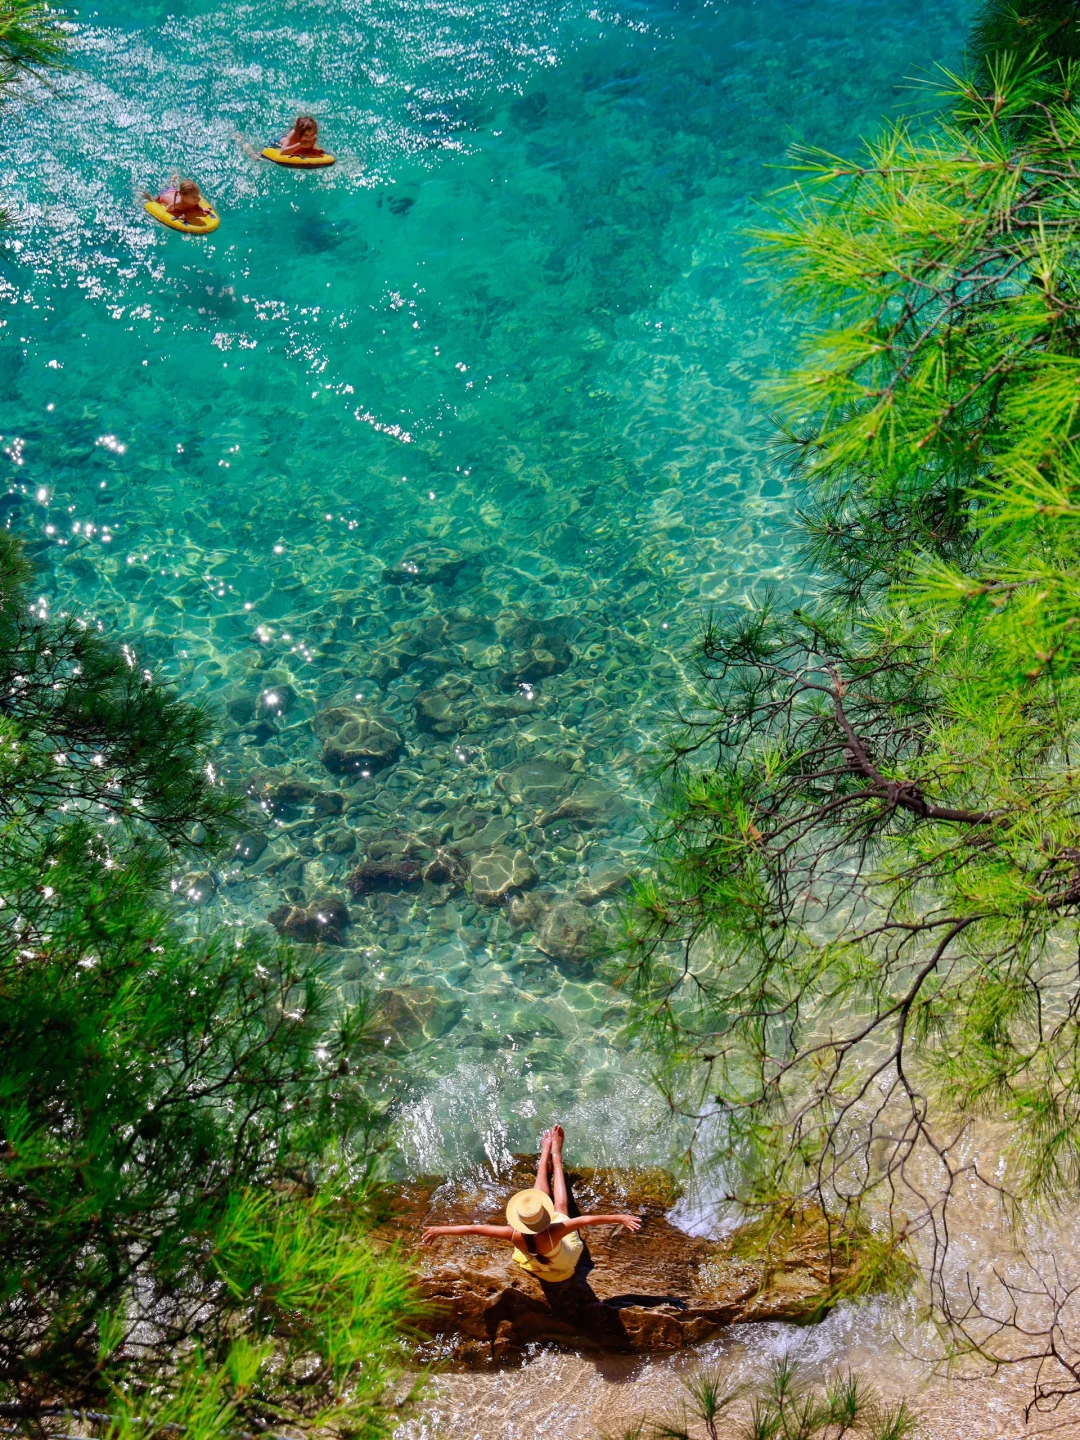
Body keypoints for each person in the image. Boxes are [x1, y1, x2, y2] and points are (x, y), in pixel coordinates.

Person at [420, 1125, 642, 1282]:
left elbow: (473, 1229)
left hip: (539, 1267)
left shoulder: (514, 1234)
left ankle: (545, 1155)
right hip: (560, 1267)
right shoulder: (555, 1231)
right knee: (562, 1208)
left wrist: (441, 1230)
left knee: (539, 1196)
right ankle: (555, 1158)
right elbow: (587, 1220)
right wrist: (620, 1218)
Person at [144, 178, 213, 223]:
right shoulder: (176, 204)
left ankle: (173, 180)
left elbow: (196, 204)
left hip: (175, 191)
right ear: (183, 197)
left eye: (198, 195)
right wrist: (180, 214)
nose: (198, 198)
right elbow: (167, 209)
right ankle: (146, 195)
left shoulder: (192, 199)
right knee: (153, 200)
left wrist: (201, 209)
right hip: (164, 194)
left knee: (172, 186)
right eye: (194, 197)